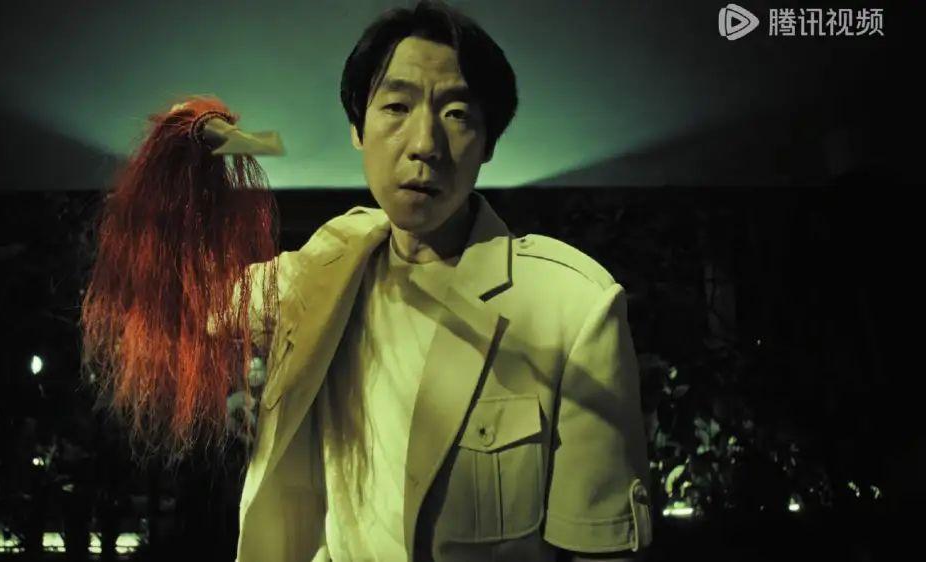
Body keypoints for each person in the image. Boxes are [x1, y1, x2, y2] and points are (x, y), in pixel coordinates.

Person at [81, 2, 652, 561]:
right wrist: (181, 157)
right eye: (396, 106)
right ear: (358, 127)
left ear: (489, 142)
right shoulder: (323, 269)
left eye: (457, 114)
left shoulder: (571, 306)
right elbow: (189, 306)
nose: (424, 144)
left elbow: (600, 547)